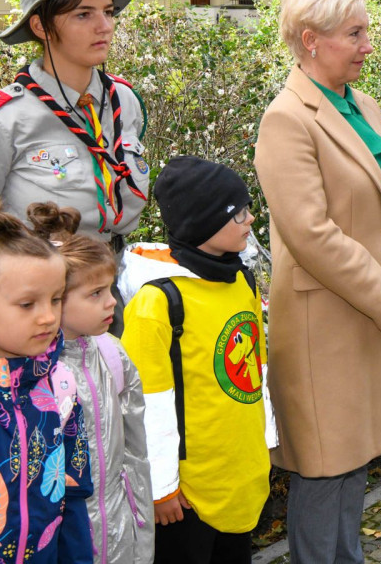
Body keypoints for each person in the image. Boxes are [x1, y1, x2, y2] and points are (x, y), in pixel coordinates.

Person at [254, 0, 381, 564]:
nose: (368, 46)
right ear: (310, 40)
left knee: (354, 465)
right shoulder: (287, 119)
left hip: (368, 315)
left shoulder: (363, 105)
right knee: (325, 470)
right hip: (325, 326)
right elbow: (311, 234)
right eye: (355, 33)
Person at [0, 0, 149, 323]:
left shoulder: (123, 102)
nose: (104, 26)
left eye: (109, 11)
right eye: (83, 15)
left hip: (110, 294)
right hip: (35, 311)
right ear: (40, 26)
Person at [120, 157, 269, 564]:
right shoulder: (158, 302)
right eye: (238, 212)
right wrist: (161, 488)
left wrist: (265, 444)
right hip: (185, 497)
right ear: (205, 221)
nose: (251, 219)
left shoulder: (242, 280)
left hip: (238, 473)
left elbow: (257, 373)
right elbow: (146, 404)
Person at [0, 201, 93, 562]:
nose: (48, 317)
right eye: (27, 304)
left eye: (56, 299)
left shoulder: (60, 387)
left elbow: (72, 496)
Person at [26, 202, 154, 564]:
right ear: (53, 300)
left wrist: (141, 546)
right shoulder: (30, 376)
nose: (111, 301)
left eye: (110, 289)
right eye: (95, 293)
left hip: (120, 535)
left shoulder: (113, 356)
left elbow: (136, 459)